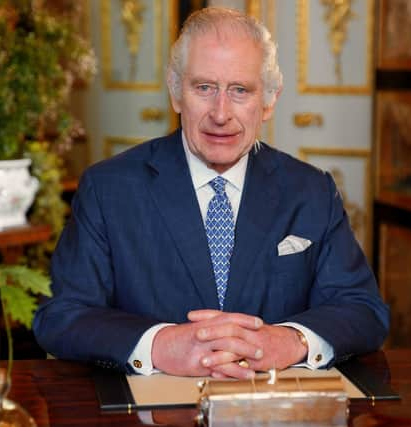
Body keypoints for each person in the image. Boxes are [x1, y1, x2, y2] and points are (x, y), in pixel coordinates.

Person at [33, 7, 389, 380]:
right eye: (204, 88)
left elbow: (364, 310)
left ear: (268, 101)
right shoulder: (108, 189)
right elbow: (60, 316)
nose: (221, 113)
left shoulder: (312, 190)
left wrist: (289, 340)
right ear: (175, 93)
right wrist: (159, 345)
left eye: (240, 90)